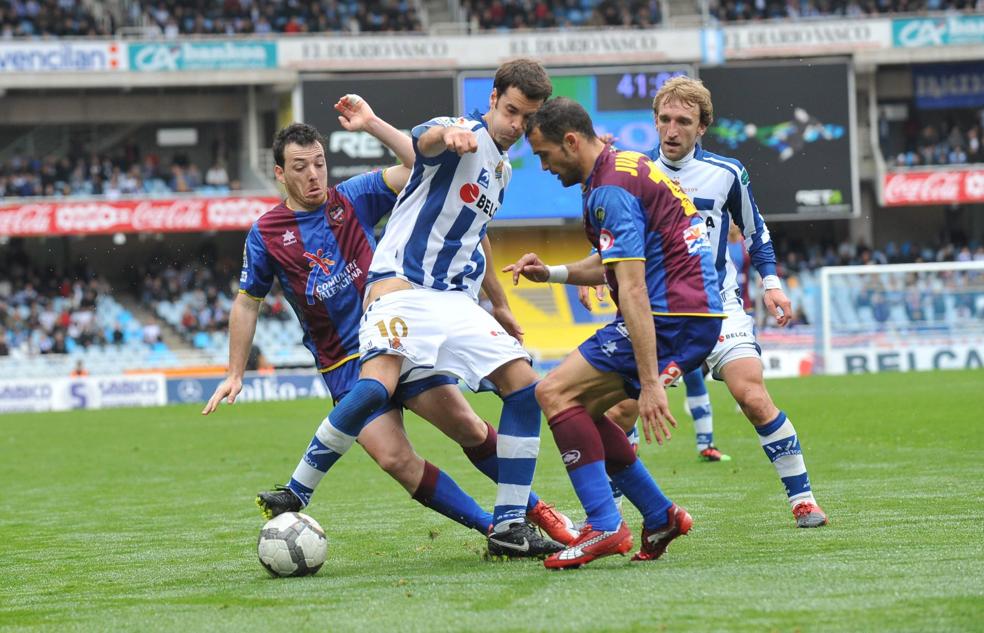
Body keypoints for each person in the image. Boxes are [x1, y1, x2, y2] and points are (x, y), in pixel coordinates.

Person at [202, 95, 576, 550]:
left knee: (469, 427)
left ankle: (532, 511)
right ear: (279, 173)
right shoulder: (266, 233)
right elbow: (247, 302)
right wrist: (235, 372)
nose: (313, 174)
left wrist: (377, 123)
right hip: (343, 361)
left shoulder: (355, 195)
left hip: (402, 335)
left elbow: (423, 167)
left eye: (319, 163)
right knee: (396, 460)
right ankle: (491, 529)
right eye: (300, 167)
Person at [309, 59, 562, 558]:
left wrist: (500, 302)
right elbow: (428, 143)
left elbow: (468, 226)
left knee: (482, 418)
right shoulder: (462, 131)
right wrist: (441, 134)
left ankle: (514, 519)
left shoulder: (501, 169)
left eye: (527, 119)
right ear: (492, 99)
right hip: (369, 327)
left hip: (433, 311)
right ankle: (297, 489)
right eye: (511, 111)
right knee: (396, 458)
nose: (517, 125)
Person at [506, 97, 725, 569]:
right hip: (692, 314)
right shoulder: (624, 165)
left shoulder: (610, 190)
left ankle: (605, 525)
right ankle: (659, 514)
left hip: (671, 315)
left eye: (544, 155)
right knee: (581, 406)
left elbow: (632, 289)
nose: (542, 167)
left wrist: (650, 384)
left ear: (571, 141)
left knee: (554, 393)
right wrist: (555, 275)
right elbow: (613, 265)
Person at [602, 76, 828, 528]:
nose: (671, 130)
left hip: (717, 303)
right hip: (658, 309)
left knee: (753, 395)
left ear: (702, 126)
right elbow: (610, 226)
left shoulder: (727, 173)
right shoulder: (634, 173)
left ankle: (802, 499)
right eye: (664, 119)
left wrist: (771, 283)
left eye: (683, 121)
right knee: (619, 411)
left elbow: (756, 229)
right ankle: (610, 514)